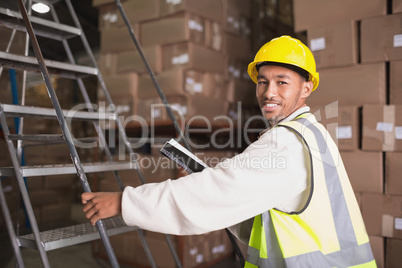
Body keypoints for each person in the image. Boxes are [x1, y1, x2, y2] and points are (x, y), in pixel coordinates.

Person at [82, 36, 376, 267]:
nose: (268, 92)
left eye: (281, 82)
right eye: (263, 82)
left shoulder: (285, 144)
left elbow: (209, 195)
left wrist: (126, 202)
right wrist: (229, 200)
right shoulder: (313, 133)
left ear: (306, 88)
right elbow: (271, 215)